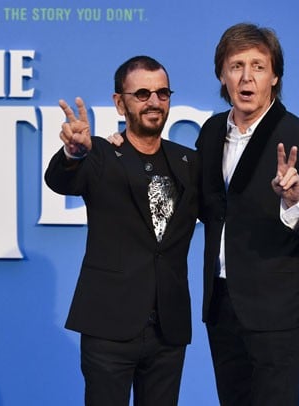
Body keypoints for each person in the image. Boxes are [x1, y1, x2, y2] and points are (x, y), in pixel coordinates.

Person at [44, 56, 199, 405]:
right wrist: (73, 154)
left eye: (162, 93)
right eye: (142, 94)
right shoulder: (100, 154)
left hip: (168, 329)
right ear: (119, 102)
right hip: (108, 326)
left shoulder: (189, 162)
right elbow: (60, 180)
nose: (154, 102)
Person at [196, 23, 299, 405]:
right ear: (222, 75)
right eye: (236, 65)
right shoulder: (211, 133)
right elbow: (204, 205)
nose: (247, 77)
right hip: (221, 306)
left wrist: (294, 201)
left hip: (277, 312)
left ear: (274, 76)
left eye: (258, 66)